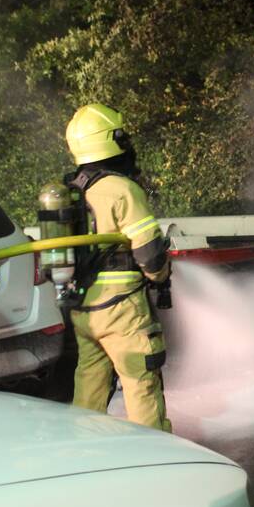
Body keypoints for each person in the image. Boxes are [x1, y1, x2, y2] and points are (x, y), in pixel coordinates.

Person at [64, 104, 172, 431]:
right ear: (111, 140)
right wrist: (161, 278)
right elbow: (150, 254)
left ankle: (85, 453)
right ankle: (157, 459)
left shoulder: (70, 191)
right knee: (141, 380)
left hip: (83, 309)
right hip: (121, 308)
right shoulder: (122, 188)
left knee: (89, 384)